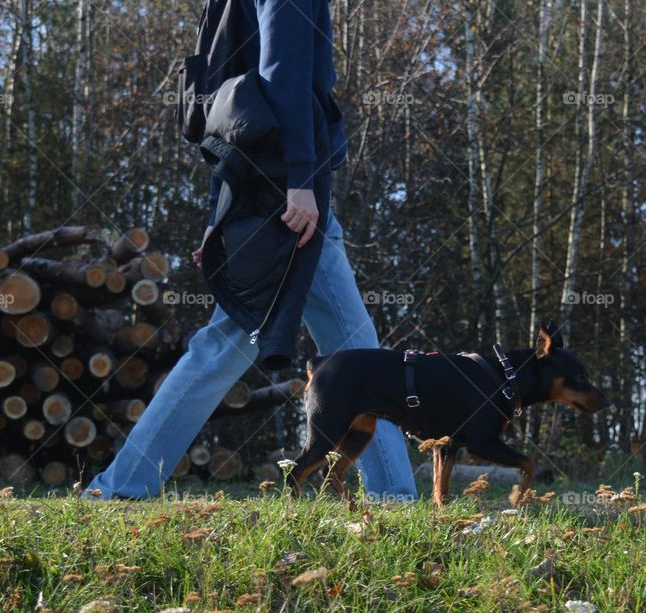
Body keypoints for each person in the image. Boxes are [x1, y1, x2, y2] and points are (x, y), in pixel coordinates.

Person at [82, 0, 418, 502]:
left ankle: (122, 486)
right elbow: (285, 75)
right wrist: (302, 179)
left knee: (334, 354)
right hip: (291, 196)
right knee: (325, 357)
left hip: (264, 192)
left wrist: (225, 217)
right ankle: (122, 486)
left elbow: (230, 93)